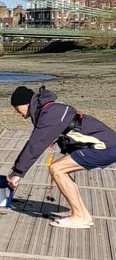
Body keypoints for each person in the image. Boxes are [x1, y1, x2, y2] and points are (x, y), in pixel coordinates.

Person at [8, 85, 116, 229]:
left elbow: (35, 145)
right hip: (104, 146)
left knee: (57, 169)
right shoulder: (49, 109)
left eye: (16, 107)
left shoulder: (51, 113)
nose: (15, 111)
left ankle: (80, 216)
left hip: (105, 148)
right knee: (60, 170)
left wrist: (17, 173)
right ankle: (83, 215)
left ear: (27, 103)